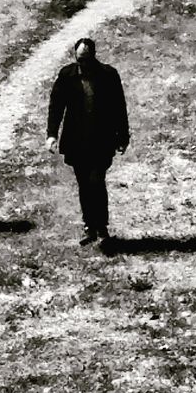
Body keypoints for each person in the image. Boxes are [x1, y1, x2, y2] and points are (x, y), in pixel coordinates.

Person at [46, 38, 129, 245]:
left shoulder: (108, 75)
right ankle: (89, 227)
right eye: (79, 60)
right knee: (84, 184)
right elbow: (56, 106)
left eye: (86, 59)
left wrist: (122, 137)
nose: (83, 64)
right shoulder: (67, 75)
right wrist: (51, 134)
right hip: (77, 142)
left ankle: (101, 228)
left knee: (96, 182)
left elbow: (119, 107)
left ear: (93, 56)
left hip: (101, 141)